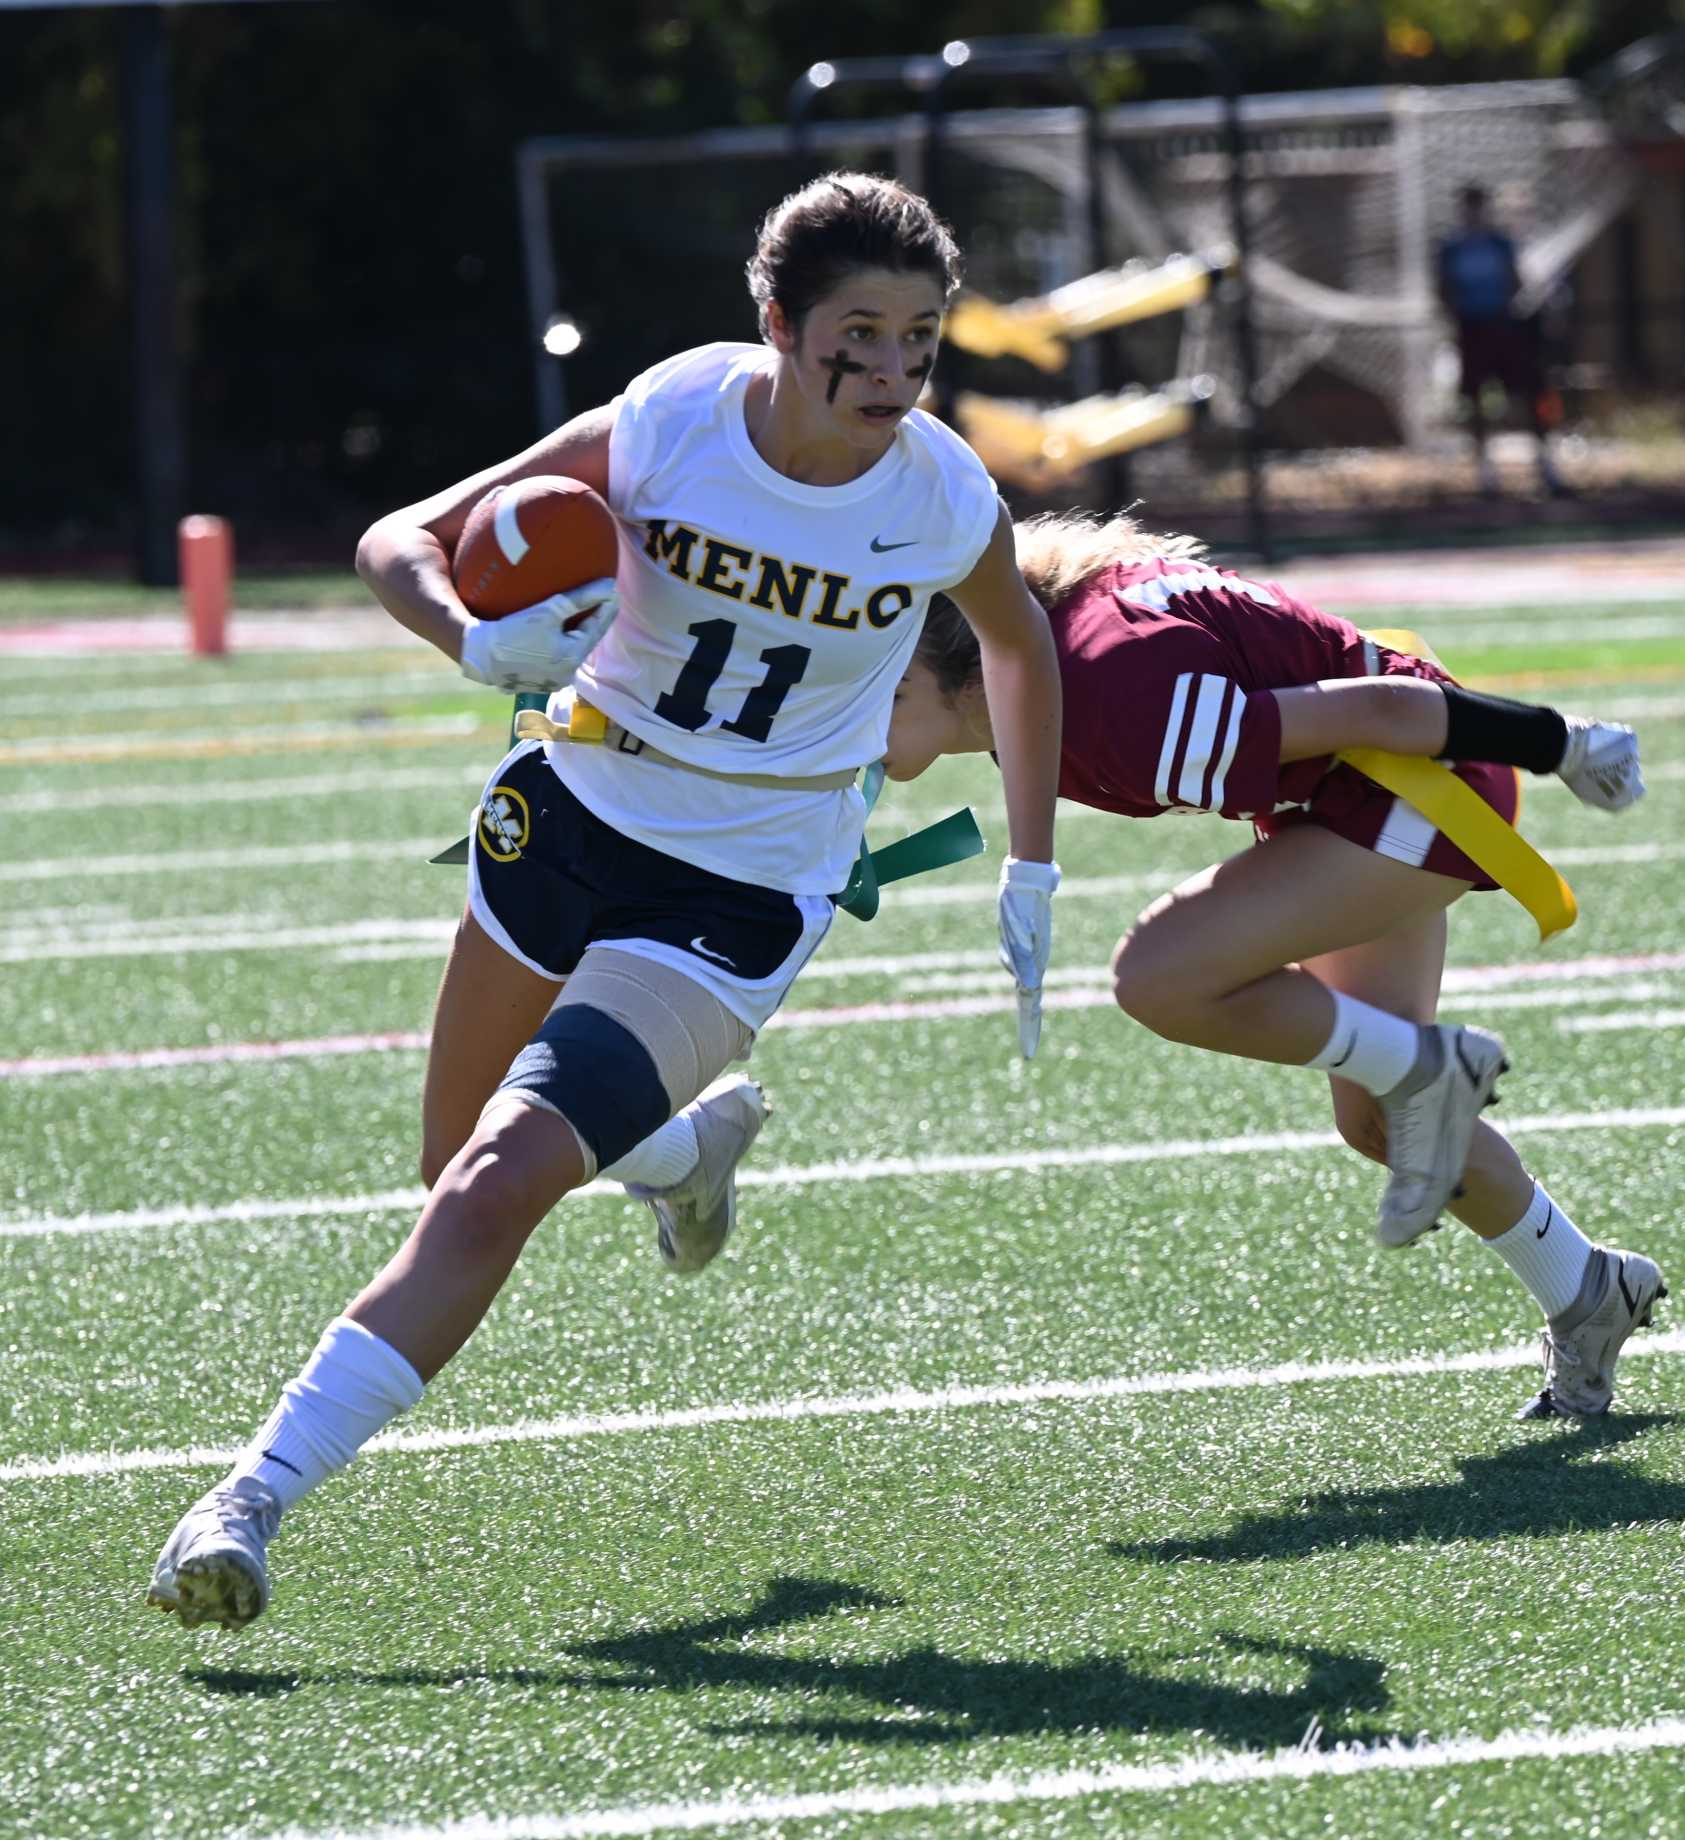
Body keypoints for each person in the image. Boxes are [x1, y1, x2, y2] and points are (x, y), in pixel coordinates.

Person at [148, 172, 1065, 1631]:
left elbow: (1017, 643)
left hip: (746, 878)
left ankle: (246, 1496)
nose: (892, 370)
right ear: (775, 321)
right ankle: (682, 1149)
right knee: (452, 1170)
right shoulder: (673, 416)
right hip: (568, 814)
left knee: (504, 1176)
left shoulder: (943, 488)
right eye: (860, 331)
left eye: (921, 337)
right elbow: (403, 534)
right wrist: (471, 634)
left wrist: (1032, 857)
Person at [884, 509, 1664, 1420]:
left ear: (956, 666)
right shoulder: (1052, 666)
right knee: (1381, 1120)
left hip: (1413, 779)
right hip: (1354, 789)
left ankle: (1433, 1069)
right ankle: (1589, 1290)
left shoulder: (1107, 687)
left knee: (1158, 975)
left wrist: (1556, 741)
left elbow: (1377, 706)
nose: (849, 717)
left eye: (878, 690)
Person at [1437, 183, 1567, 499]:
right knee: (1476, 402)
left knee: (1528, 394)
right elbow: (1443, 290)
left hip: (1504, 328)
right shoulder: (1451, 248)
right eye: (1470, 206)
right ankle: (1486, 474)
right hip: (1472, 330)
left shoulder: (1500, 244)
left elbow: (1515, 281)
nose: (1475, 213)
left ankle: (1546, 466)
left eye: (1479, 206)